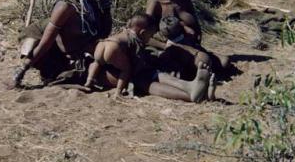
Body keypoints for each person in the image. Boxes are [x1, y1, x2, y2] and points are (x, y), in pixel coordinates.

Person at [8, 0, 112, 88]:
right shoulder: (65, 7)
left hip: (93, 54)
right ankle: (54, 73)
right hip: (75, 63)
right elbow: (46, 42)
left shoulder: (88, 0)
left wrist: (105, 6)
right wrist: (23, 69)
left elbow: (104, 33)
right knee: (113, 78)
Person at [84, 13, 215, 102]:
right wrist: (119, 91)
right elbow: (128, 68)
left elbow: (96, 62)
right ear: (142, 32)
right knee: (147, 78)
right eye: (150, 35)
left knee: (149, 73)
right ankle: (190, 92)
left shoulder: (121, 34)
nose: (149, 38)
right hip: (113, 62)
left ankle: (193, 88)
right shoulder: (133, 40)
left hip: (101, 45)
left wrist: (89, 81)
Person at [145, 0, 229, 79]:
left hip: (191, 46)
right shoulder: (156, 3)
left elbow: (196, 25)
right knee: (202, 62)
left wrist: (196, 38)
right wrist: (165, 46)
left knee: (224, 62)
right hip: (171, 49)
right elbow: (144, 36)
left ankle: (195, 65)